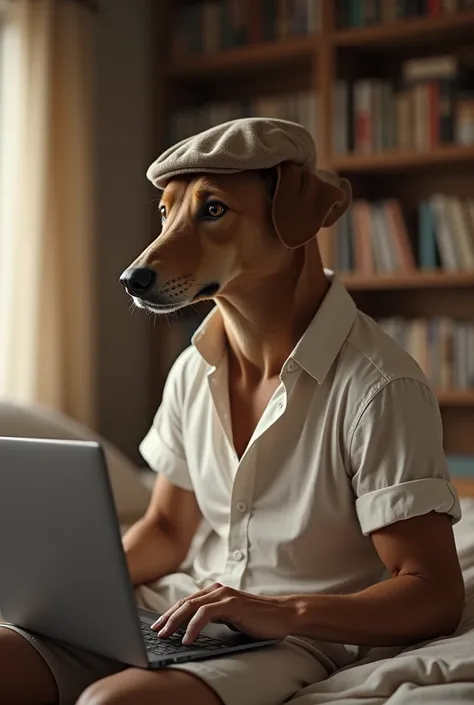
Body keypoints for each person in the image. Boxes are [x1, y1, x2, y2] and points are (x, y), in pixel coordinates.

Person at [0, 118, 465, 705]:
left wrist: (279, 611)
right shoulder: (194, 369)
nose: (152, 255)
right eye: (168, 213)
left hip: (291, 637)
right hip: (177, 606)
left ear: (294, 218)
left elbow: (433, 594)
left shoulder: (379, 385)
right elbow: (168, 530)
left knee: (111, 703)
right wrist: (57, 592)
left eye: (212, 211)